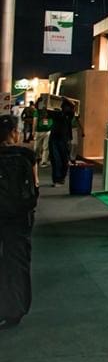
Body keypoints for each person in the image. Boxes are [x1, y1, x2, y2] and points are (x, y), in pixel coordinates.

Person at [0, 115, 38, 331]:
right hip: (18, 218)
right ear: (14, 132)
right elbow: (35, 188)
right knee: (16, 261)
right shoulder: (27, 155)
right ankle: (15, 309)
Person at [47, 99, 77, 188]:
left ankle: (61, 178)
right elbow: (46, 109)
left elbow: (74, 106)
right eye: (64, 106)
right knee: (55, 159)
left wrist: (64, 98)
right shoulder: (56, 113)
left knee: (64, 160)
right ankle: (57, 179)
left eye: (67, 106)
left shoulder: (69, 115)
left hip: (64, 139)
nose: (65, 108)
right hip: (54, 139)